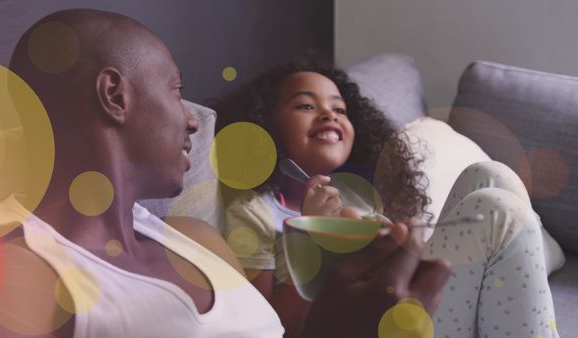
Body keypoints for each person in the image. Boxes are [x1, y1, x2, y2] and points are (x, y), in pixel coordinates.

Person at [0, 9, 452, 338]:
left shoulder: (198, 239)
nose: (192, 118)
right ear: (115, 95)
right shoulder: (8, 279)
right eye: (174, 89)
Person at [215, 58, 560, 338]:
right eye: (306, 105)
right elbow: (272, 328)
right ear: (264, 125)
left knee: (490, 174)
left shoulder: (353, 193)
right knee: (498, 210)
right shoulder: (253, 210)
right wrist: (314, 237)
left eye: (341, 109)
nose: (329, 114)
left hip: (407, 313)